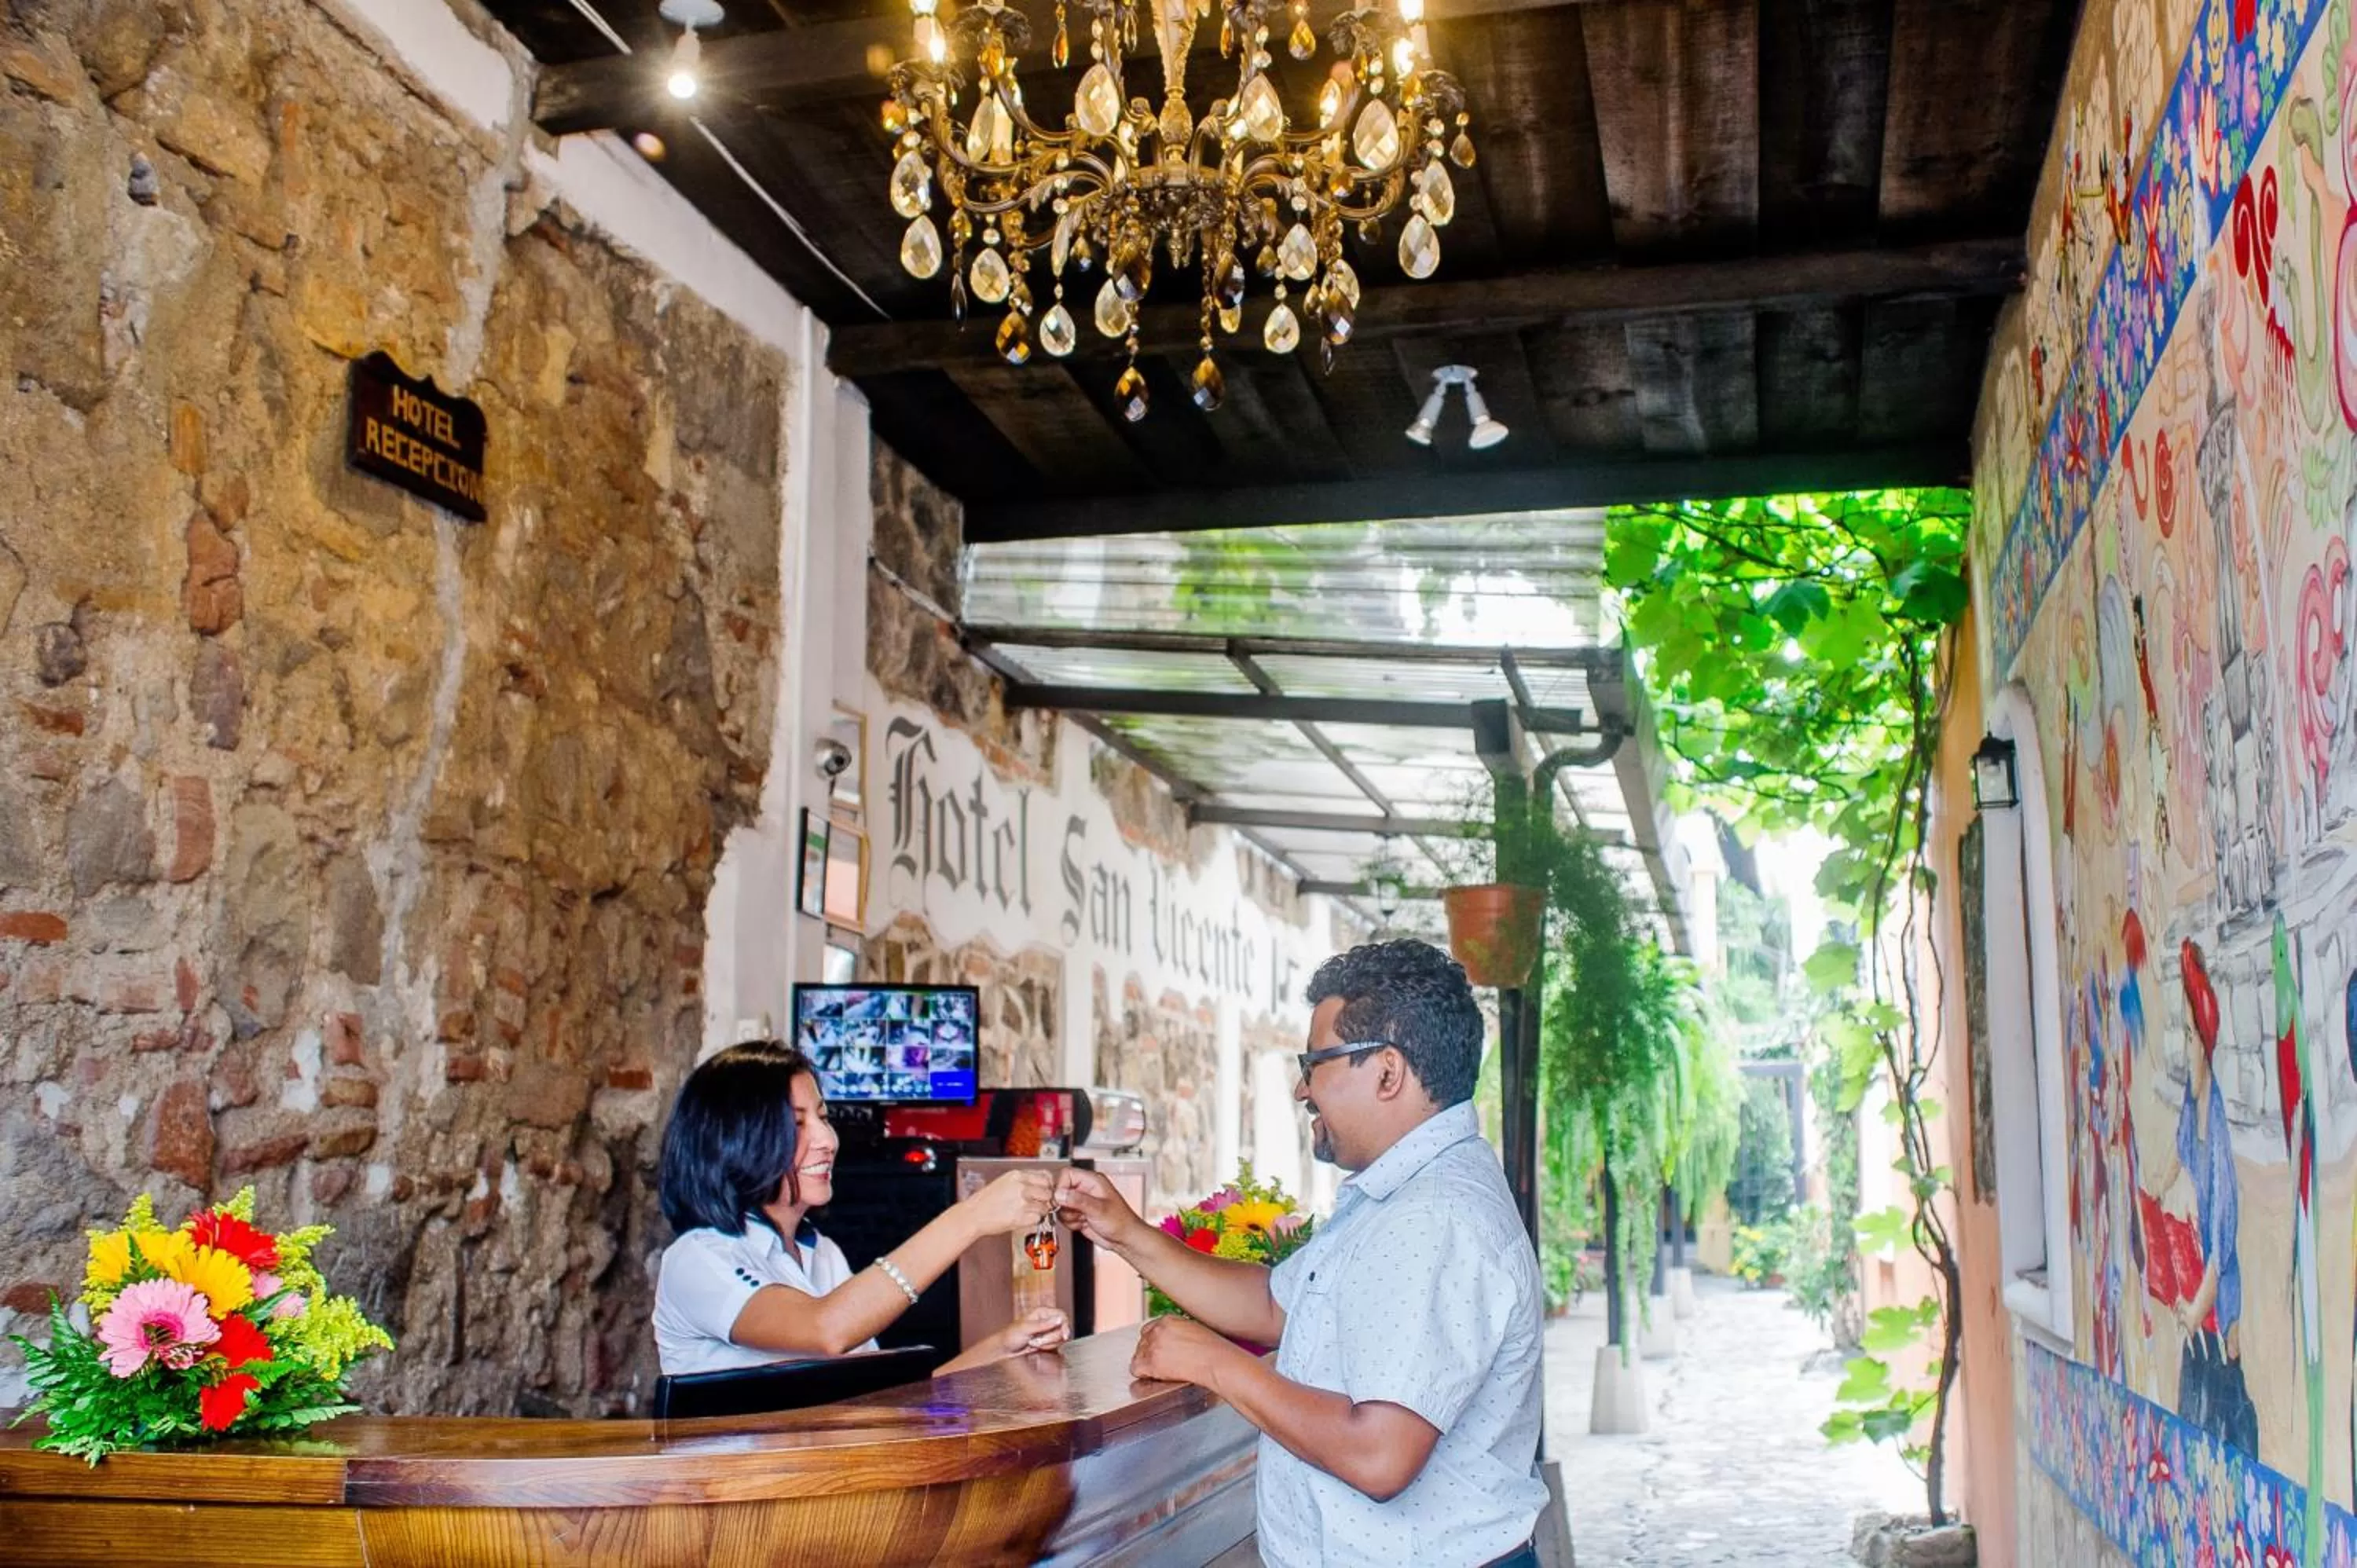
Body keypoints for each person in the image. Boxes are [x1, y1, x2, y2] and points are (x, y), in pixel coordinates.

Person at [1056, 940, 1546, 1567]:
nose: (1300, 1088)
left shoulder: (1434, 1217)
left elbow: (1380, 1455)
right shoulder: (1392, 1194)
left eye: (1315, 1062)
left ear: (1388, 1071)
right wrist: (1122, 1230)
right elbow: (1275, 1304)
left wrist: (1217, 1366)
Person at [653, 1039, 1068, 1376]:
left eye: (823, 1117)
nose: (828, 1140)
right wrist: (970, 1217)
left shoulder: (822, 1255)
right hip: (743, 1482)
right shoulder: (699, 1259)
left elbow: (883, 1403)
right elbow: (826, 1329)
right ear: (734, 1141)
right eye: (797, 1125)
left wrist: (1002, 1349)